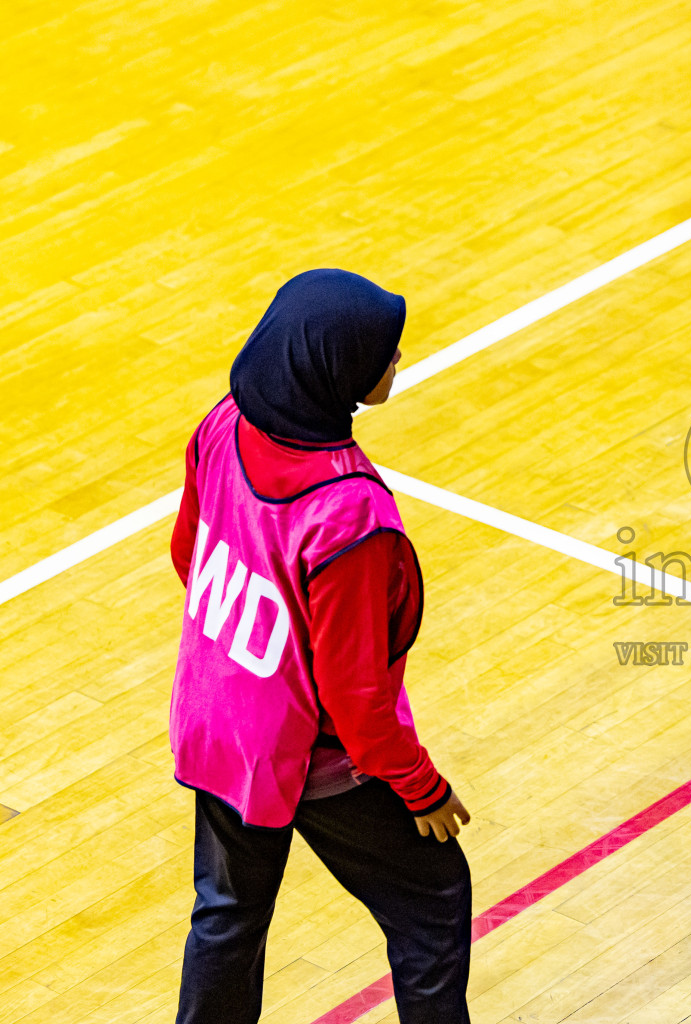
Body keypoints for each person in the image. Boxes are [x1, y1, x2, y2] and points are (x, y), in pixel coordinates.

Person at [168, 269, 473, 1022]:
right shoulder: (350, 516)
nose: (398, 360)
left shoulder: (224, 424)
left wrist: (251, 673)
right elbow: (357, 701)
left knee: (227, 919)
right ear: (336, 369)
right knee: (433, 901)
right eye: (387, 353)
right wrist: (421, 787)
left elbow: (189, 554)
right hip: (316, 759)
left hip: (214, 726)